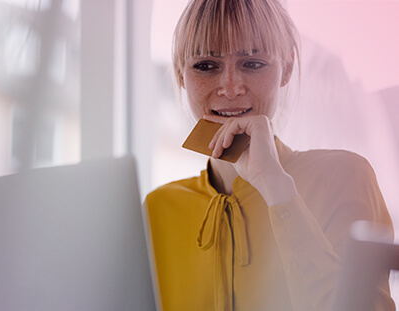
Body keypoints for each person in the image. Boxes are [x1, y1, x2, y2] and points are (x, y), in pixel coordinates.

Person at [143, 0, 395, 310]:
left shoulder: (344, 177)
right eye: (206, 65)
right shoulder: (157, 209)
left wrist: (277, 188)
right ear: (181, 75)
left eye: (253, 63)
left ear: (286, 68)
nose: (231, 87)